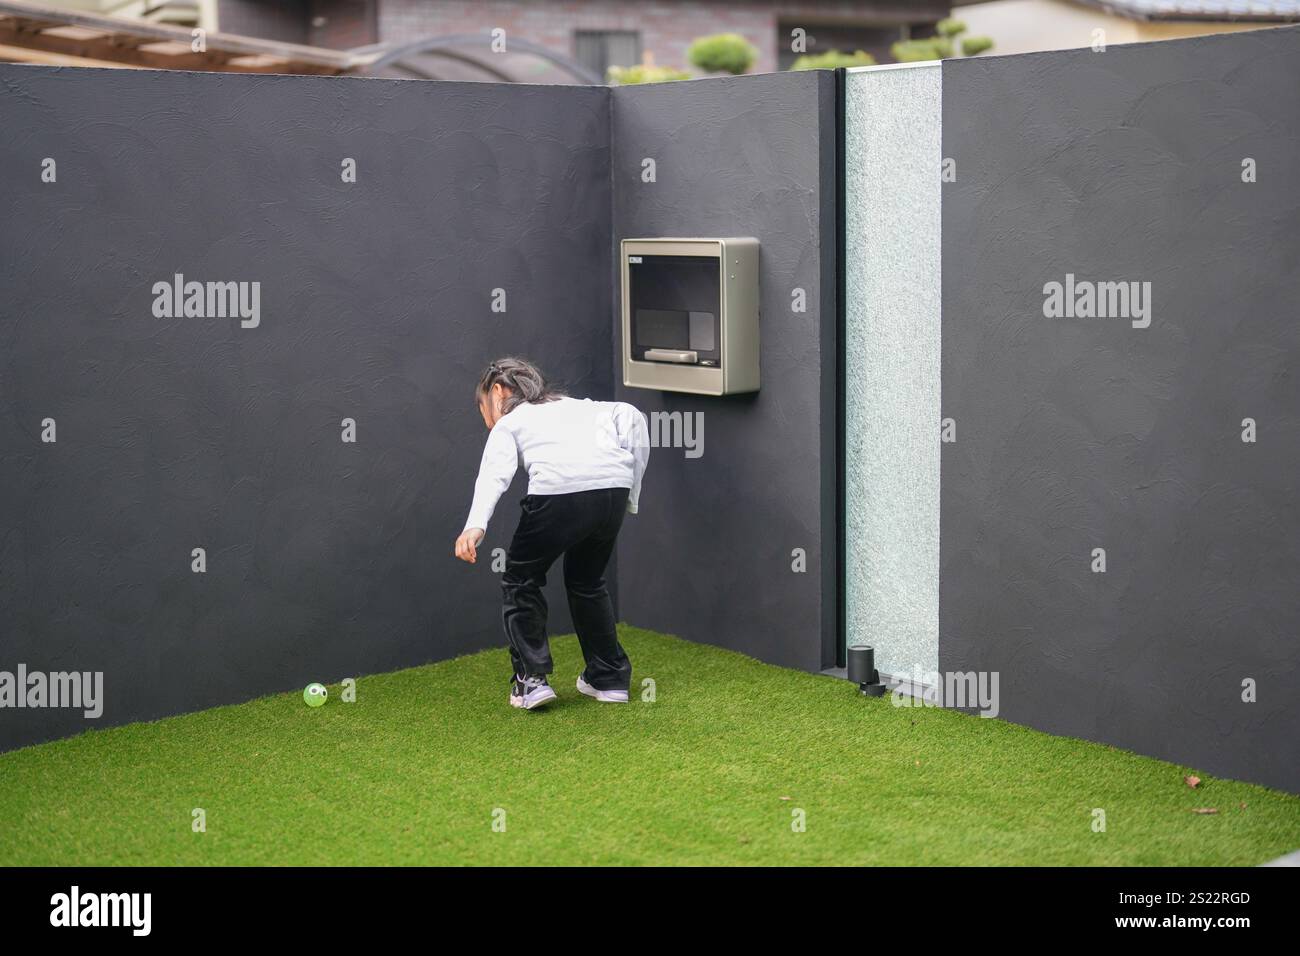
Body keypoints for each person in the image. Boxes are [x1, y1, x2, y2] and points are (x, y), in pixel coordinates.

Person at [454, 357, 650, 710]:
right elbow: (632, 417)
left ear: (497, 391)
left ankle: (531, 680)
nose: (486, 419)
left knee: (520, 579)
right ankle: (609, 678)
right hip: (611, 494)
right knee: (587, 581)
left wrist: (475, 525)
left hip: (559, 494)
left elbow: (494, 474)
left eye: (483, 407)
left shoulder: (511, 421)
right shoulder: (586, 408)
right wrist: (630, 495)